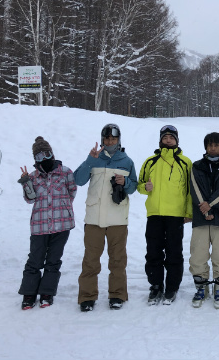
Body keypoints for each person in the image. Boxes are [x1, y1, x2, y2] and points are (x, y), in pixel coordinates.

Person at [74, 124, 137, 312]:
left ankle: (117, 295)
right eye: (107, 139)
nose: (110, 142)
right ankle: (87, 296)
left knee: (118, 260)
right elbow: (78, 180)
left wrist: (125, 182)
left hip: (118, 219)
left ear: (119, 140)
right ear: (102, 140)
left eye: (113, 139)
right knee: (90, 259)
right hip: (94, 219)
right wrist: (89, 161)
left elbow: (133, 187)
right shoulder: (94, 158)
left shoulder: (127, 161)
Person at [18, 136, 77, 310]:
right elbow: (30, 199)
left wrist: (63, 209)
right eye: (38, 156)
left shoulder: (65, 172)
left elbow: (72, 192)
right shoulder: (32, 177)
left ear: (52, 153)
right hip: (40, 226)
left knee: (53, 260)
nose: (43, 159)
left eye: (46, 154)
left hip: (62, 225)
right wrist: (26, 183)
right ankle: (29, 294)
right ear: (34, 159)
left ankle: (47, 293)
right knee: (35, 260)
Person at [137, 125, 192, 305]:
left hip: (176, 215)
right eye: (165, 137)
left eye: (171, 137)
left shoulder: (185, 163)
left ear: (177, 140)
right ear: (160, 140)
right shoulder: (150, 161)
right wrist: (145, 187)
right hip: (154, 214)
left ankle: (172, 286)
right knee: (153, 251)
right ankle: (155, 285)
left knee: (174, 252)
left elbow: (191, 190)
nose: (168, 140)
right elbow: (140, 184)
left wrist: (189, 212)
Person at [189, 132, 219, 309]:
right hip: (201, 217)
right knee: (198, 254)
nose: (213, 148)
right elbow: (194, 188)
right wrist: (204, 208)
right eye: (210, 145)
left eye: (217, 145)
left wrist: (210, 205)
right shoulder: (196, 166)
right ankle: (201, 288)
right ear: (206, 147)